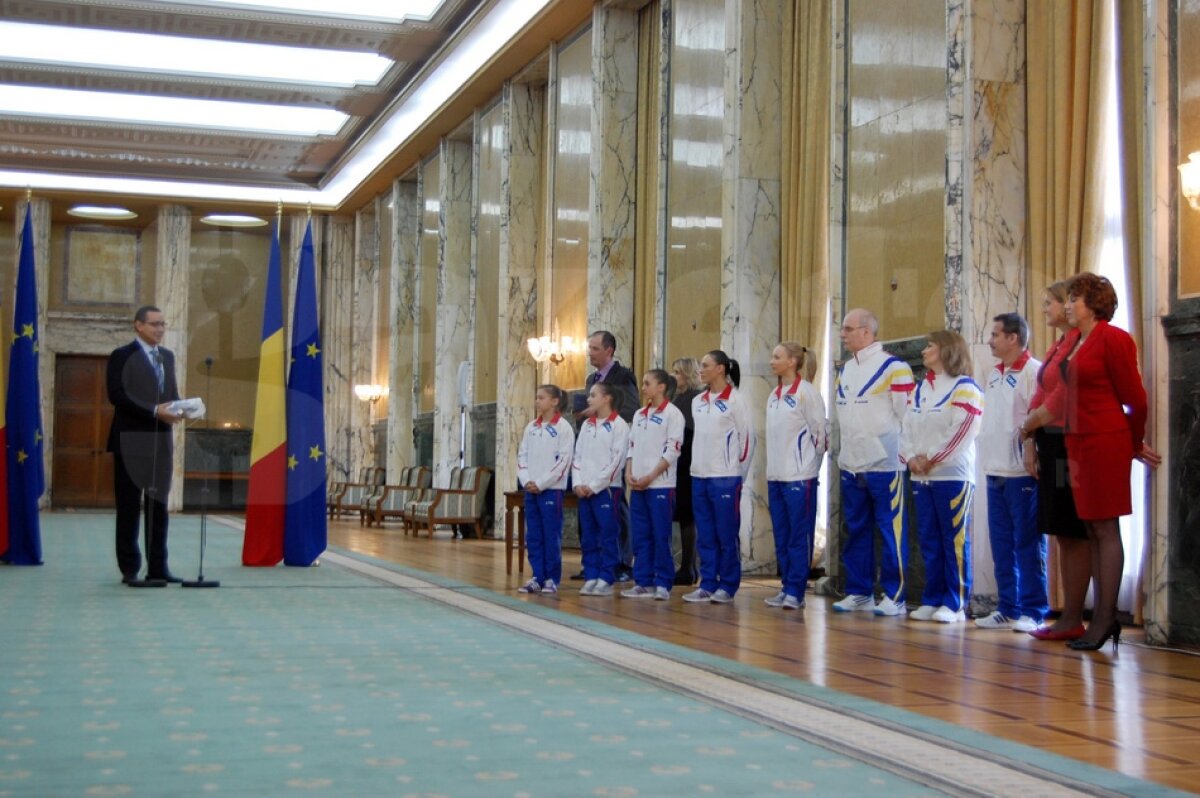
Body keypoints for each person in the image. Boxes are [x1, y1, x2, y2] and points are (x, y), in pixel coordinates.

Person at [1059, 273, 1161, 651]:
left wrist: (1134, 441)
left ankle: (1105, 618)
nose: (1068, 305)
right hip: (1077, 442)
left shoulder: (1114, 338)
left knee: (1105, 526)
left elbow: (1136, 398)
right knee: (1090, 527)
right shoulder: (1073, 340)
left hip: (1105, 440)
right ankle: (1100, 617)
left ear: (1094, 303)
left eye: (1074, 298)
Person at [1018, 281, 1091, 640]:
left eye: (1050, 303)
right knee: (1061, 529)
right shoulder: (1058, 344)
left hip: (1068, 443)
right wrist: (1030, 437)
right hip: (1049, 440)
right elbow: (1040, 390)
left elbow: (1063, 395)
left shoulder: (1080, 343)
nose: (1045, 308)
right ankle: (1067, 615)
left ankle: (1074, 615)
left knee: (1072, 528)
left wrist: (1029, 424)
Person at [832, 308, 915, 615]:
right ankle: (859, 591)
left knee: (891, 531)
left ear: (867, 332)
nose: (843, 334)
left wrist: (905, 455)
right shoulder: (846, 369)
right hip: (853, 464)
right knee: (856, 529)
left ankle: (895, 595)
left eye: (848, 328)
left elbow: (909, 417)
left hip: (885, 465)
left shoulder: (895, 368)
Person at [900, 330, 983, 623]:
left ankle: (955, 602)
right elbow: (906, 427)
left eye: (930, 346)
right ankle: (931, 598)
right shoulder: (920, 389)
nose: (924, 351)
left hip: (952, 476)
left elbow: (962, 431)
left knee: (954, 541)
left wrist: (931, 458)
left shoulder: (965, 388)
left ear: (947, 350)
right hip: (922, 477)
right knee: (929, 540)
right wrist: (910, 458)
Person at [976, 313, 1046, 632]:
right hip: (995, 469)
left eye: (995, 334)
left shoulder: (1034, 371)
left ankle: (1034, 609)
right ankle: (1008, 606)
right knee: (1001, 542)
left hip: (1021, 472)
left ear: (1013, 338)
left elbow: (1035, 416)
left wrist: (1029, 450)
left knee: (1028, 543)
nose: (990, 340)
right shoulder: (993, 374)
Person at [107, 305, 183, 585]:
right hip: (130, 442)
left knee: (158, 507)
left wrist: (183, 408)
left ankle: (158, 568)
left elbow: (170, 394)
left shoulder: (167, 357)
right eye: (154, 324)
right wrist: (154, 410)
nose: (160, 329)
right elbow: (117, 395)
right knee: (129, 508)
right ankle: (130, 569)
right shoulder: (122, 356)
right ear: (138, 325)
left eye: (163, 324)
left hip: (160, 443)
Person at [682, 350, 753, 604]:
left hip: (725, 477)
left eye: (705, 365)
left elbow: (746, 440)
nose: (701, 370)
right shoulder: (698, 401)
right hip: (699, 475)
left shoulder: (736, 400)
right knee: (706, 534)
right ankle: (708, 582)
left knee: (725, 533)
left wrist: (736, 474)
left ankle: (728, 584)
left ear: (721, 369)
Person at [571, 330, 640, 582]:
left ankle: (621, 561)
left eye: (595, 348)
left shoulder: (623, 376)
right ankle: (593, 563)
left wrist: (597, 412)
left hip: (612, 447)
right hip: (590, 446)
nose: (590, 352)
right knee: (587, 513)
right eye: (589, 348)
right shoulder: (592, 378)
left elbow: (631, 409)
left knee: (616, 509)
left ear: (609, 350)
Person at [764, 342, 828, 610]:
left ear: (792, 362)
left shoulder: (807, 394)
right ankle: (786, 586)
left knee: (798, 536)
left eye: (777, 357)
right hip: (776, 476)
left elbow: (820, 436)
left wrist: (808, 468)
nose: (771, 361)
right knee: (782, 534)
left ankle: (796, 591)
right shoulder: (773, 395)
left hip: (800, 477)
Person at [623, 369, 685, 600]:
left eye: (648, 383)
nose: (643, 387)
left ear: (661, 387)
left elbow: (672, 451)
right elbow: (631, 447)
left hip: (660, 485)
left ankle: (663, 582)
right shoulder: (639, 414)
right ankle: (643, 581)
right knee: (641, 535)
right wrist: (630, 472)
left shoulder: (673, 414)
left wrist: (651, 476)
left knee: (660, 534)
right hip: (638, 485)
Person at [516, 385, 575, 595]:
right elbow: (522, 456)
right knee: (534, 535)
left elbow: (563, 462)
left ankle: (551, 578)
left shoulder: (564, 428)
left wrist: (541, 482)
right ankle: (537, 576)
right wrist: (526, 480)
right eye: (536, 397)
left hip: (551, 490)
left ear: (554, 401)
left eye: (541, 398)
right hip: (531, 490)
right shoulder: (531, 427)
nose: (537, 401)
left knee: (551, 535)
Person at [573, 382, 630, 596]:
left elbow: (617, 461)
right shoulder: (588, 425)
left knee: (608, 534)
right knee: (588, 535)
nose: (589, 399)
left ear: (607, 399)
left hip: (606, 490)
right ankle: (591, 575)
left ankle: (606, 576)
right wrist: (578, 482)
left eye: (593, 395)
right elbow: (577, 456)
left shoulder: (619, 426)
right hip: (584, 490)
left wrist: (595, 485)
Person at [670, 357, 703, 585]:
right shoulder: (677, 398)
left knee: (687, 516)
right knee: (682, 516)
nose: (674, 376)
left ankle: (689, 566)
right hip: (678, 462)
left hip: (687, 462)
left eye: (678, 373)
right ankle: (687, 566)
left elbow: (690, 433)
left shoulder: (692, 399)